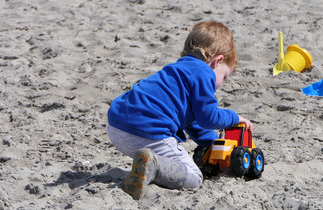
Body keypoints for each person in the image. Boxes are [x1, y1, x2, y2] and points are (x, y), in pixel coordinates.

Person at [107, 20, 253, 200]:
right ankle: (155, 166)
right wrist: (234, 117)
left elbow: (192, 120)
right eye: (224, 76)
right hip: (148, 131)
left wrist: (213, 144)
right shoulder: (204, 73)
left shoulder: (176, 70)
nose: (221, 83)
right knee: (195, 177)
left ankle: (150, 162)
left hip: (116, 126)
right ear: (217, 61)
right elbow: (208, 117)